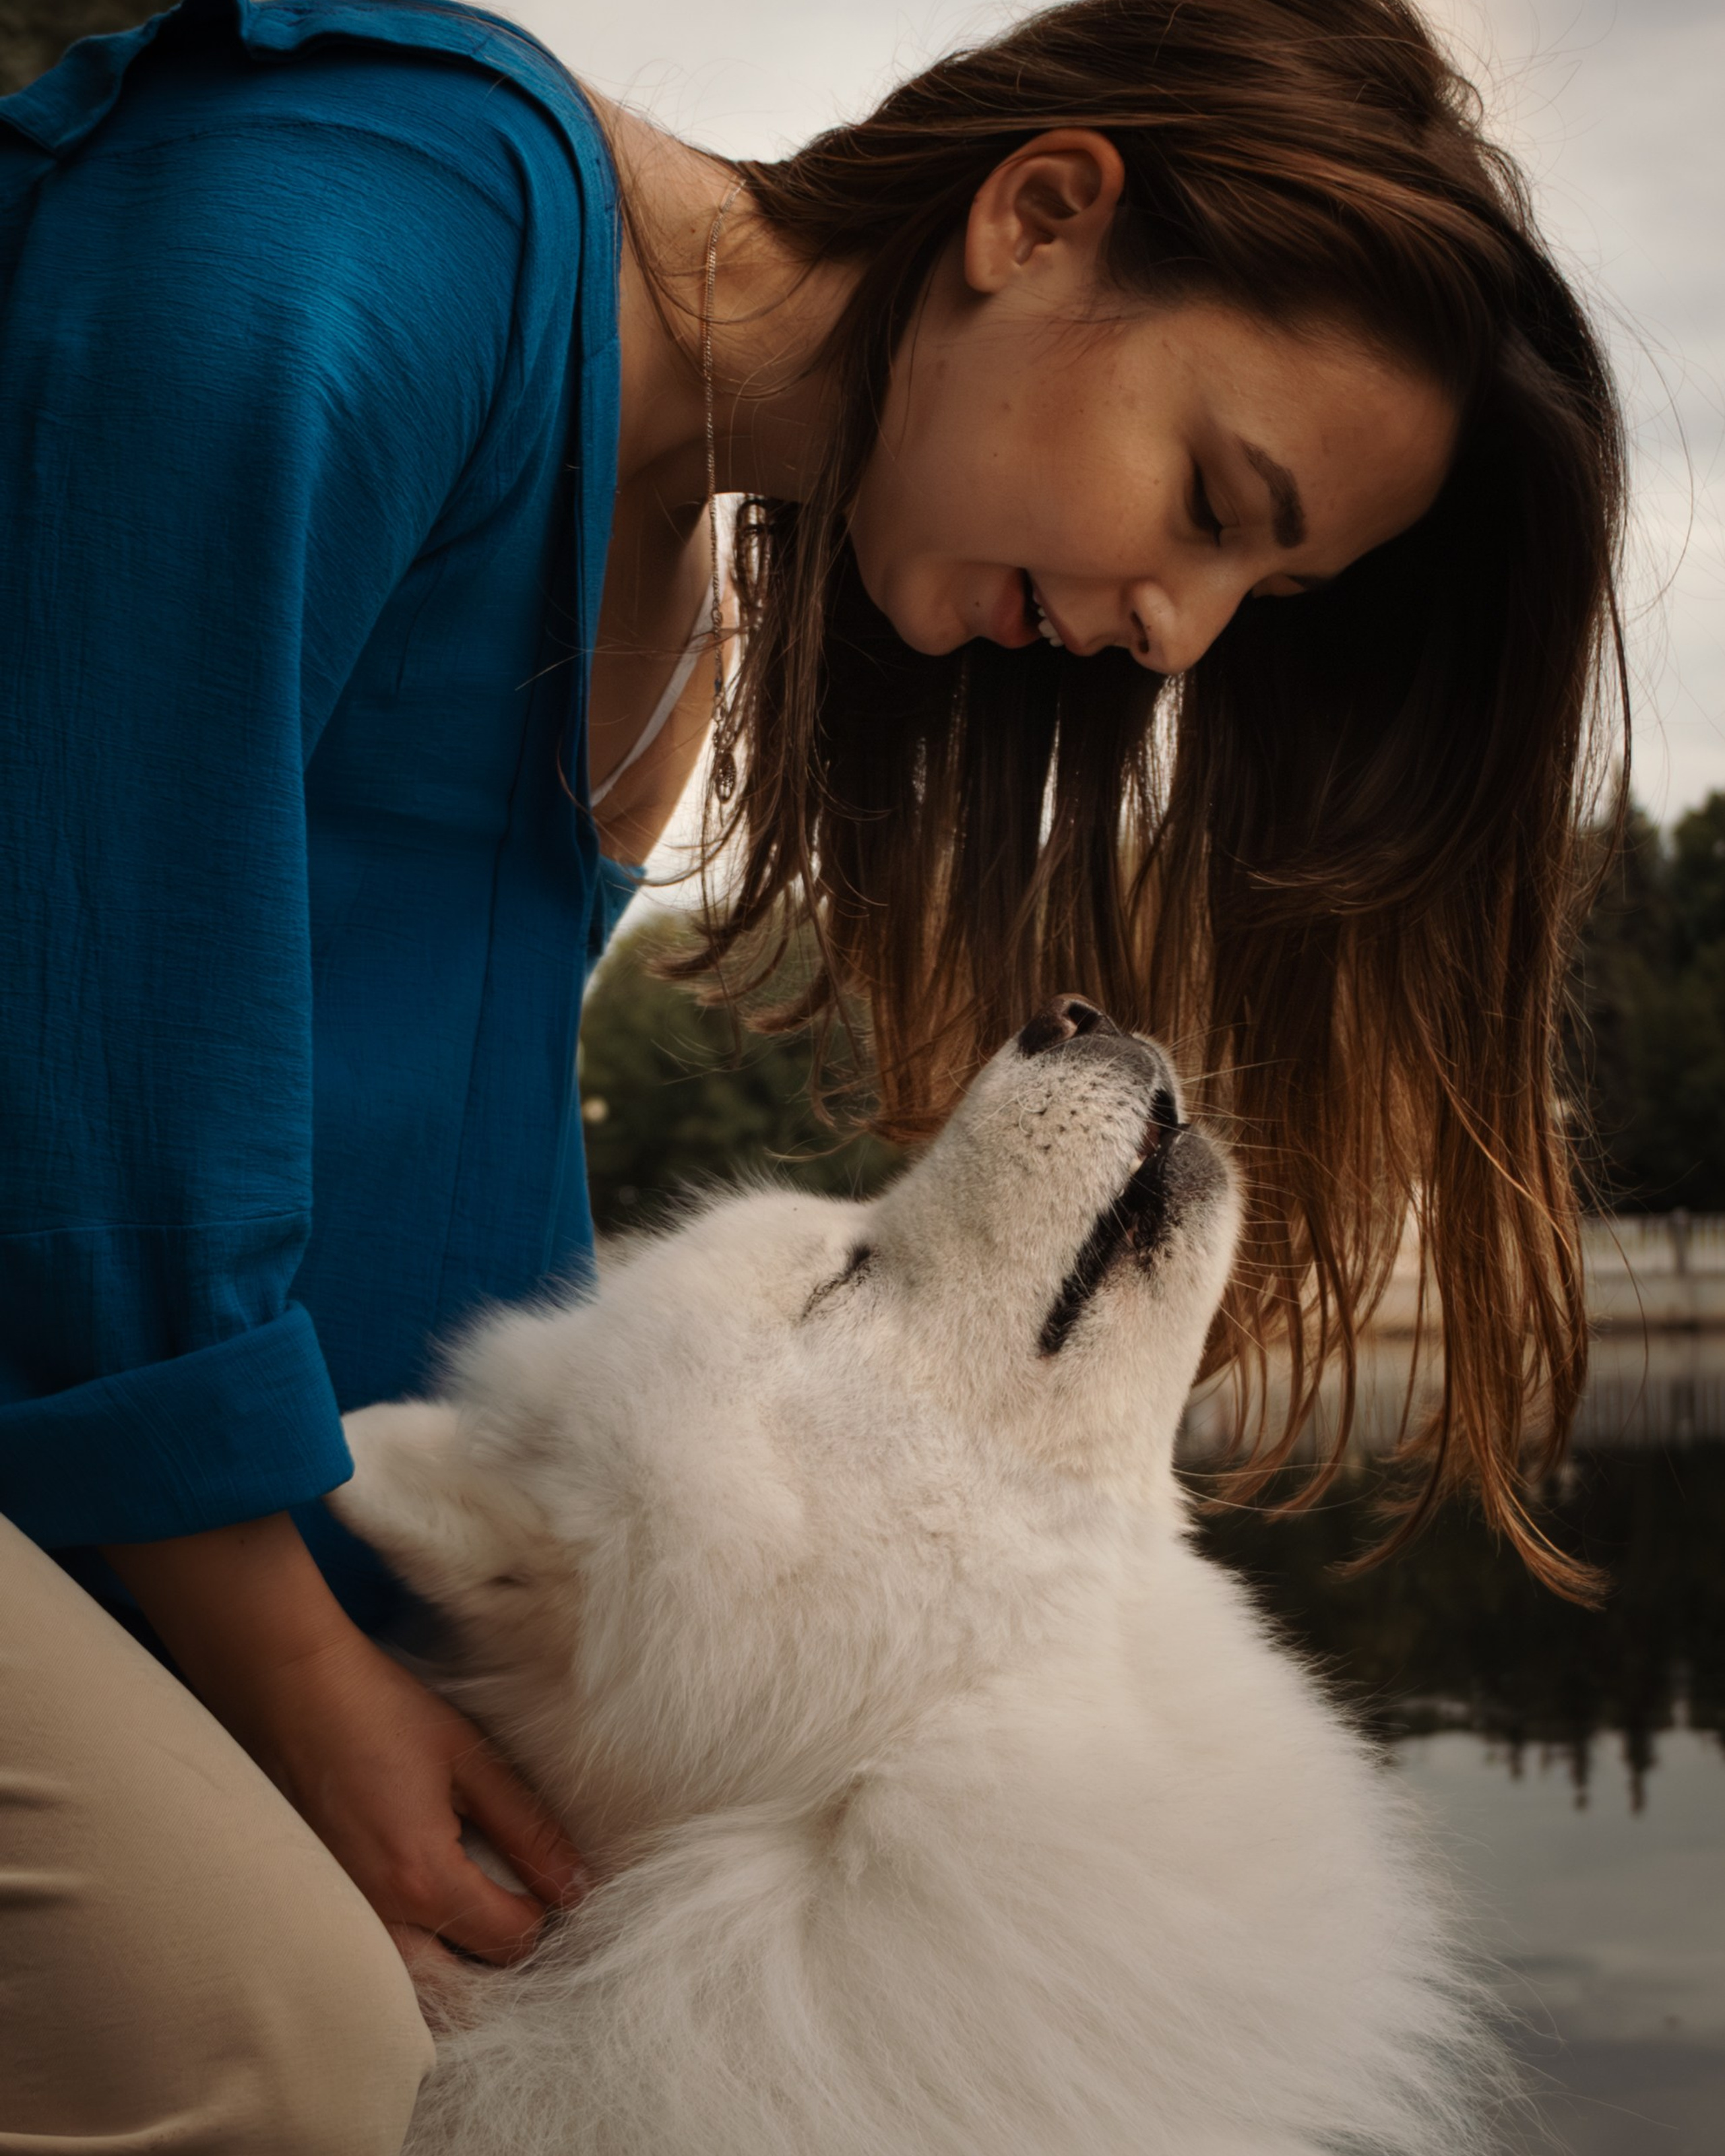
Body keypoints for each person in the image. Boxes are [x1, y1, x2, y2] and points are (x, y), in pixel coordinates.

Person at [0, 0, 1626, 2148]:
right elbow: (84, 1017)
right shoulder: (362, 213)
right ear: (1041, 217)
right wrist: (312, 1682)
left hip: (277, 1554)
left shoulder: (687, 587)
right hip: (165, 1531)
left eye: (1268, 587)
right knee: (286, 2057)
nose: (1185, 635)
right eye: (1220, 501)